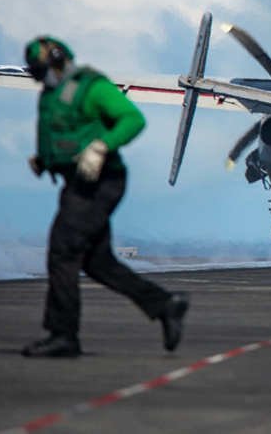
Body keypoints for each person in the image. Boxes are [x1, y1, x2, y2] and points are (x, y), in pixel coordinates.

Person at [21, 36, 189, 357]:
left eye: (41, 70)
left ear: (57, 60)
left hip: (99, 183)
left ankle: (63, 334)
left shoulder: (91, 87)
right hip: (76, 182)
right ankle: (166, 304)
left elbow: (133, 119)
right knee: (98, 262)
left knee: (62, 252)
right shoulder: (52, 94)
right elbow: (63, 133)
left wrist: (102, 147)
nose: (39, 77)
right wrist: (45, 160)